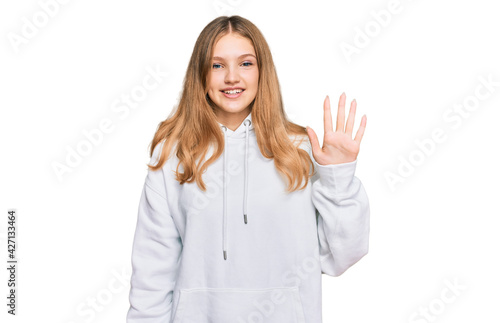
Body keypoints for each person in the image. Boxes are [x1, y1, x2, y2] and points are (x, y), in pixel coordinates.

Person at [126, 15, 370, 323]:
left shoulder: (299, 149)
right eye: (217, 65)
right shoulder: (174, 153)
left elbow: (341, 255)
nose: (231, 77)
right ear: (200, 74)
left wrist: (339, 178)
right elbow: (152, 272)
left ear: (261, 71)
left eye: (245, 64)